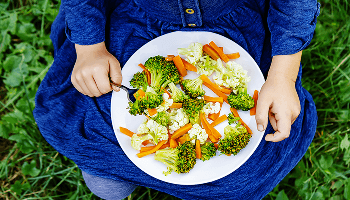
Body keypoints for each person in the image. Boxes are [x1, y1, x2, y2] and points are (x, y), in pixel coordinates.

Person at [33, 0, 320, 199]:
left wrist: (283, 74)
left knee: (240, 181)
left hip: (243, 27)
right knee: (106, 186)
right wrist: (89, 48)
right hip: (133, 23)